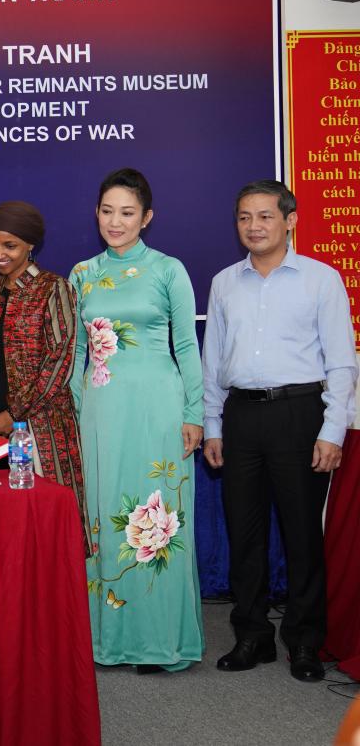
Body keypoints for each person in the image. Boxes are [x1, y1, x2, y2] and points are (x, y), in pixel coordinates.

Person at [202, 180, 357, 682]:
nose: (254, 226)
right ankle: (251, 636)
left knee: (300, 535)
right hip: (242, 416)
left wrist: (332, 430)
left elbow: (340, 362)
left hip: (300, 414)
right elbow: (212, 362)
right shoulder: (225, 282)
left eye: (265, 216)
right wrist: (212, 424)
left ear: (290, 220)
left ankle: (305, 641)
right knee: (243, 533)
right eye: (245, 217)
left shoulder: (321, 279)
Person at [69, 167, 204, 673]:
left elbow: (187, 346)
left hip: (158, 407)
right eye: (107, 211)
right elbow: (76, 355)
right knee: (105, 520)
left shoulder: (170, 270)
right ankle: (110, 641)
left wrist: (195, 414)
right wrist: (77, 418)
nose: (116, 221)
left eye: (127, 212)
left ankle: (159, 642)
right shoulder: (81, 274)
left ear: (147, 217)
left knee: (158, 521)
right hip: (101, 411)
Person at [0, 201, 89, 550]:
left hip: (43, 429)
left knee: (48, 532)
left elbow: (59, 363)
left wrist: (12, 415)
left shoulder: (54, 288)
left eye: (10, 245)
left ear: (30, 245)